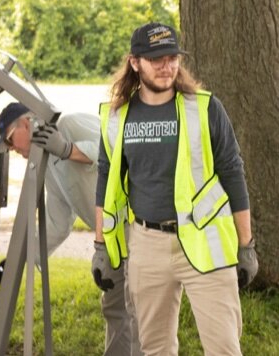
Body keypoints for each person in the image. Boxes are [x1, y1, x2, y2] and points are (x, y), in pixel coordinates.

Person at [94, 22, 259, 355]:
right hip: (147, 245)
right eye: (156, 59)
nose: (166, 66)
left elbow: (233, 173)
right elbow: (105, 180)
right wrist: (101, 247)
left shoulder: (205, 108)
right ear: (135, 62)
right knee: (155, 349)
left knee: (225, 348)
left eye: (172, 57)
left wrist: (246, 245)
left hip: (206, 241)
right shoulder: (116, 118)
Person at [0, 102, 141, 356]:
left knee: (139, 308)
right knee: (115, 308)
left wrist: (67, 148)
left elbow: (114, 148)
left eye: (10, 139)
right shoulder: (48, 164)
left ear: (27, 123)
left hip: (139, 230)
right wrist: (18, 261)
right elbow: (57, 222)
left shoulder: (69, 124)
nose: (11, 149)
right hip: (111, 242)